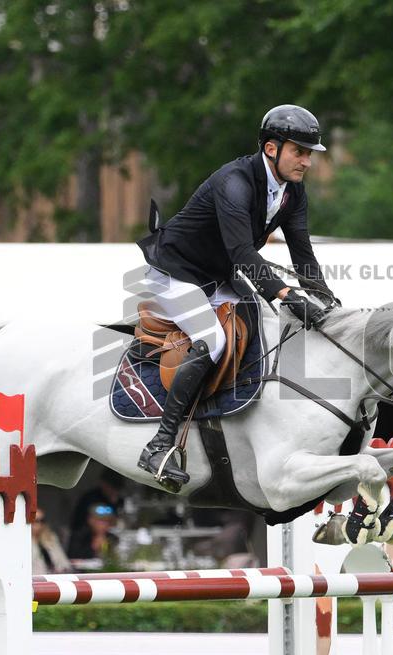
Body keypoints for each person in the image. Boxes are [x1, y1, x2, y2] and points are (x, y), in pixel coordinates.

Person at [135, 104, 336, 491]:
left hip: (216, 275)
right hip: (175, 273)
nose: (307, 161)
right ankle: (160, 444)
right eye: (300, 151)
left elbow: (302, 251)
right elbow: (242, 253)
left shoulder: (293, 192)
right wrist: (285, 293)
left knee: (268, 326)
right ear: (272, 148)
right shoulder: (234, 182)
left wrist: (325, 298)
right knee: (214, 341)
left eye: (310, 153)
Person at [30, 509, 73, 575]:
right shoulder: (22, 541)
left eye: (42, 520)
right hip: (34, 580)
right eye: (35, 520)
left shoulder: (50, 538)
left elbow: (63, 562)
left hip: (53, 579)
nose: (39, 524)